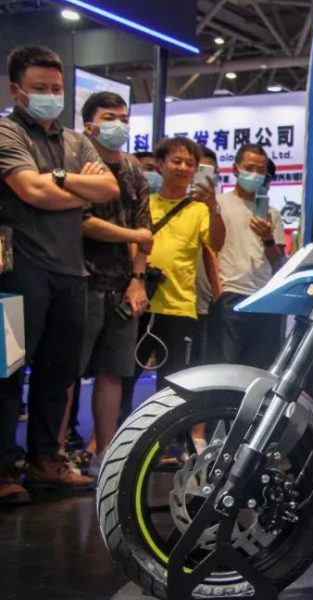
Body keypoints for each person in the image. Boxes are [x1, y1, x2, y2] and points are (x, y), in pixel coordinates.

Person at [0, 46, 119, 504]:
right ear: (17, 91)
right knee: (8, 373)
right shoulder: (7, 132)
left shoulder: (75, 140)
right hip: (19, 270)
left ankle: (46, 461)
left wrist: (59, 181)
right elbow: (29, 190)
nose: (51, 95)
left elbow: (107, 188)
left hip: (71, 270)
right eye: (40, 88)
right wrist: (75, 184)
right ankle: (2, 467)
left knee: (59, 373)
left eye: (57, 87)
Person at [75, 91, 152, 474]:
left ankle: (103, 455)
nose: (118, 124)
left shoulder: (134, 171)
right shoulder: (78, 163)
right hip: (81, 279)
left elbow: (146, 232)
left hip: (124, 286)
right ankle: (55, 456)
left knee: (114, 372)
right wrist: (133, 236)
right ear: (90, 125)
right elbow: (83, 222)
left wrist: (138, 280)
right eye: (110, 117)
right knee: (69, 372)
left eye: (123, 117)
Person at [135, 137, 225, 392]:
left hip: (180, 308)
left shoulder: (200, 210)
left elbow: (216, 243)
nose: (183, 168)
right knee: (125, 376)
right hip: (139, 302)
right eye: (176, 161)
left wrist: (213, 207)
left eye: (189, 163)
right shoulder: (144, 203)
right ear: (161, 165)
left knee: (172, 386)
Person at [207, 145, 285, 368]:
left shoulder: (272, 213)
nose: (255, 175)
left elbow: (278, 262)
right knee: (224, 367)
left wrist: (267, 238)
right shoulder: (219, 204)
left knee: (260, 368)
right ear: (235, 169)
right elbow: (210, 246)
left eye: (260, 170)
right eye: (249, 168)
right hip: (229, 294)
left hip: (263, 298)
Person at [192, 145, 223, 365]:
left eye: (209, 172)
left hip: (200, 300)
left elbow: (213, 247)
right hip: (159, 297)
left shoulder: (213, 209)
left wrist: (216, 286)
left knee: (194, 363)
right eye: (198, 169)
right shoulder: (162, 201)